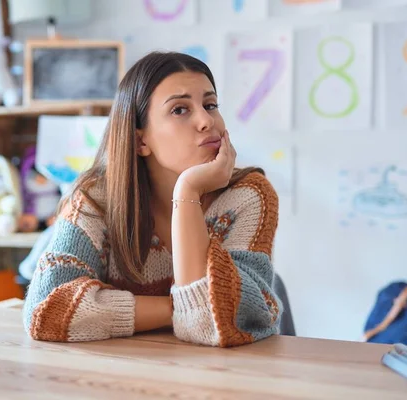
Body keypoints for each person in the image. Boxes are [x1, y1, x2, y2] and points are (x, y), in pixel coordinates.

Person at [23, 51, 282, 347]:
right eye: (180, 110)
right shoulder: (95, 200)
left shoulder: (248, 196)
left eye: (210, 105)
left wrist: (187, 192)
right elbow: (46, 312)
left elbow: (206, 325)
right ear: (140, 140)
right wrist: (177, 307)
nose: (206, 120)